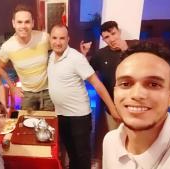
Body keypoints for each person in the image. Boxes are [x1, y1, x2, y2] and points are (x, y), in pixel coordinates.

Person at [47, 24, 119, 169]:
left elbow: (98, 84)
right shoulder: (51, 56)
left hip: (78, 117)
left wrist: (113, 109)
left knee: (82, 157)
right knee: (72, 154)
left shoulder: (76, 58)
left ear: (68, 39)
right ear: (50, 39)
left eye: (62, 38)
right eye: (54, 38)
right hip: (61, 115)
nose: (58, 42)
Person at [102, 41, 170, 169]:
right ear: (115, 92)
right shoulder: (111, 141)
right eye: (126, 84)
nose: (137, 94)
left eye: (153, 84)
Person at [81, 21, 138, 130]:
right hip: (112, 108)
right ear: (103, 40)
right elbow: (87, 73)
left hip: (134, 105)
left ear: (119, 32)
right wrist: (84, 55)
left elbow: (143, 68)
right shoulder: (100, 54)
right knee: (115, 139)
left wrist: (125, 50)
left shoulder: (135, 46)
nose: (111, 39)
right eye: (106, 37)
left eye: (113, 33)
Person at [0, 4, 54, 111]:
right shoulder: (7, 47)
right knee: (27, 124)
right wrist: (12, 87)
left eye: (27, 22)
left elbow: (59, 50)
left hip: (48, 91)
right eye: (19, 22)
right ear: (13, 23)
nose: (23, 26)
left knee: (49, 124)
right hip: (27, 93)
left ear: (32, 23)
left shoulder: (44, 37)